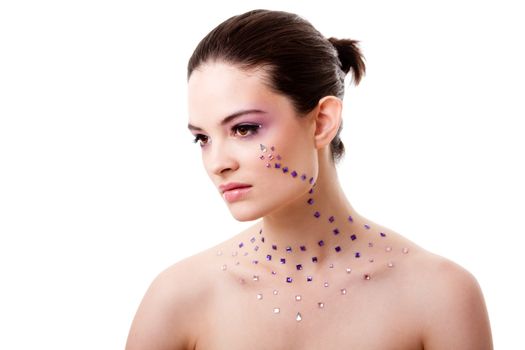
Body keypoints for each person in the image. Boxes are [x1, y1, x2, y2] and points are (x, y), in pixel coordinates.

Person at [126, 9, 493, 349]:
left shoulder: (440, 295)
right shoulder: (177, 298)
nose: (217, 163)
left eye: (245, 128)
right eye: (202, 138)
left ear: (322, 122)